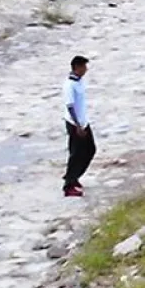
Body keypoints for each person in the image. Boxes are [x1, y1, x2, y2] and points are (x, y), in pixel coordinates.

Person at [62, 55, 96, 197]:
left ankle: (74, 176)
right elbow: (70, 105)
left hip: (83, 122)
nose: (86, 70)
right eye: (84, 67)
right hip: (75, 124)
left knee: (90, 150)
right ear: (77, 67)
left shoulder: (80, 81)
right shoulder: (70, 85)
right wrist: (77, 125)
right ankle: (68, 184)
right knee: (76, 154)